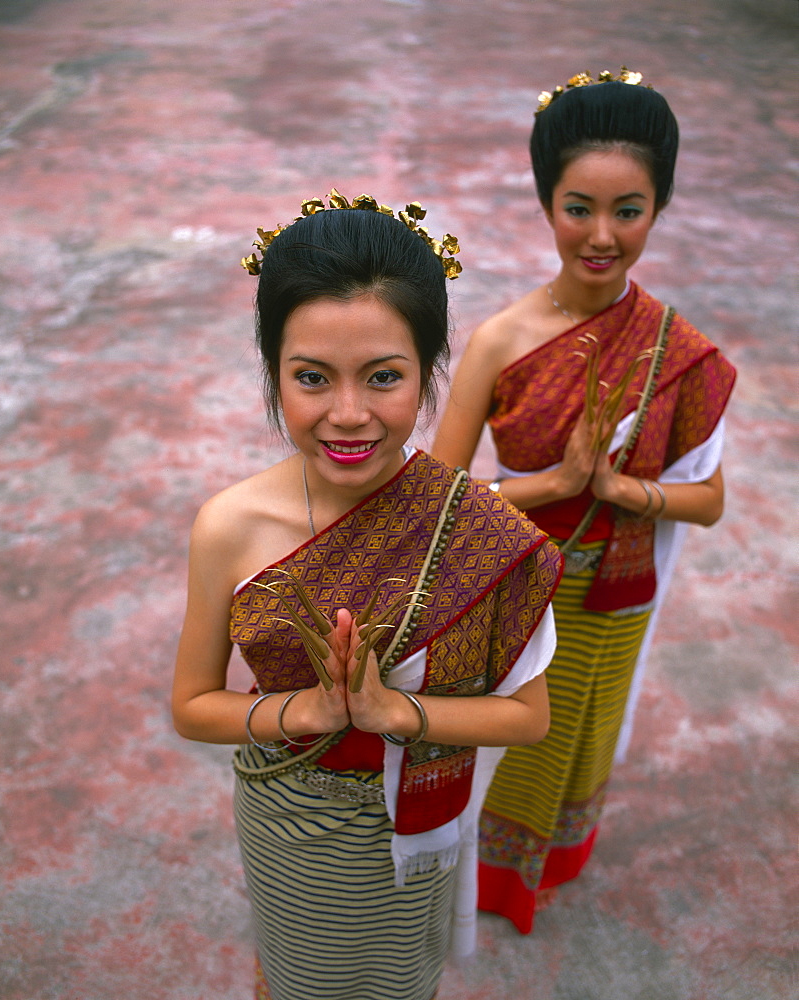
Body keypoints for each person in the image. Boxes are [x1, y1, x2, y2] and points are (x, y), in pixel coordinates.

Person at [171, 189, 562, 1000]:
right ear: (274, 373)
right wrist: (305, 712)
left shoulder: (476, 528)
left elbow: (528, 715)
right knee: (296, 974)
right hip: (290, 819)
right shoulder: (231, 527)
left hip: (418, 821)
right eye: (312, 377)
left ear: (428, 377)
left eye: (383, 377)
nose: (348, 416)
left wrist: (395, 715)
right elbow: (193, 705)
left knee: (397, 980)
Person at [432, 68, 736, 934]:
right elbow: (441, 500)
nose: (601, 236)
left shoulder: (679, 350)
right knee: (507, 745)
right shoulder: (500, 340)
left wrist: (623, 490)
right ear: (546, 201)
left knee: (585, 730)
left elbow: (708, 501)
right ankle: (478, 885)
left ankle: (548, 866)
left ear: (658, 206)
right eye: (578, 208)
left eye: (628, 211)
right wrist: (557, 486)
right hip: (521, 589)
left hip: (616, 596)